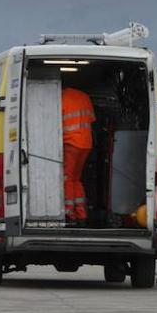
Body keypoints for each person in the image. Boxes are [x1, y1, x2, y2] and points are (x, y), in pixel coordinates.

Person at [60, 87, 94, 224]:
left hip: (71, 144)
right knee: (76, 179)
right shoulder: (85, 96)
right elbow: (91, 119)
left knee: (67, 178)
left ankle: (69, 213)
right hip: (86, 144)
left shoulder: (61, 99)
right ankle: (81, 213)